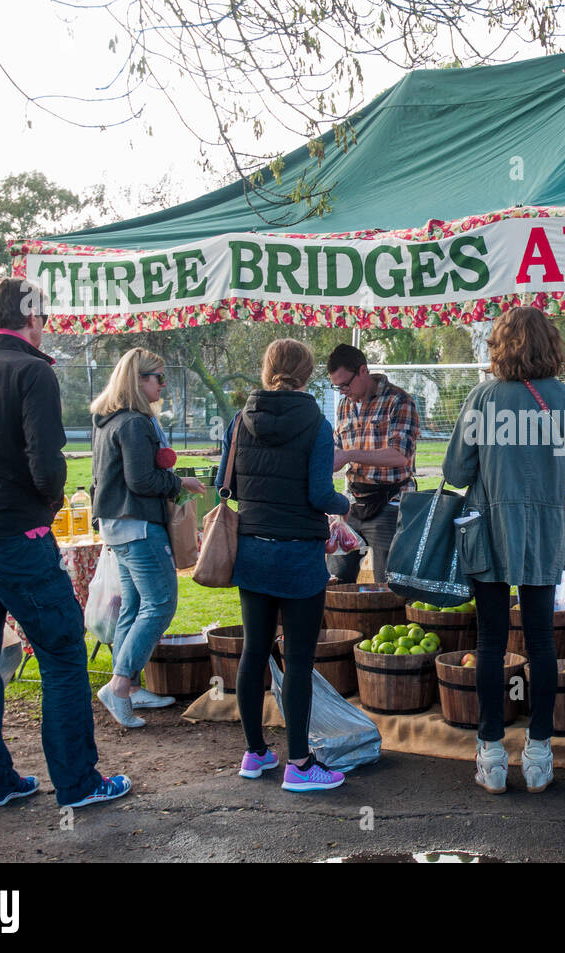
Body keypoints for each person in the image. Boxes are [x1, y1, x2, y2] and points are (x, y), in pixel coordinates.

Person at [0, 276, 129, 808]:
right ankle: (78, 784)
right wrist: (44, 512)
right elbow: (47, 464)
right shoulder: (32, 372)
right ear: (34, 319)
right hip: (9, 531)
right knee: (62, 649)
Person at [443, 307, 565, 794]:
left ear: (499, 347)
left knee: (490, 641)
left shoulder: (481, 398)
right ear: (552, 346)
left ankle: (490, 753)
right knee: (542, 642)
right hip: (545, 532)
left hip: (488, 532)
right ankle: (539, 752)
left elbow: (456, 472)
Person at [216, 339, 351, 792]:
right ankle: (300, 762)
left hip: (252, 550)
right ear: (308, 373)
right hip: (297, 555)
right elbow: (319, 494)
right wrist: (343, 503)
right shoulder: (316, 422)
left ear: (266, 368)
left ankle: (255, 753)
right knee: (297, 658)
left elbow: (225, 484)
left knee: (254, 650)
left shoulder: (240, 421)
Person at [90, 348, 206, 728]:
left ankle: (130, 686)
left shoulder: (107, 420)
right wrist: (180, 483)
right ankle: (120, 686)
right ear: (139, 381)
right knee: (159, 605)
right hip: (139, 526)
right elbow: (141, 480)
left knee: (134, 606)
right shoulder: (135, 424)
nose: (163, 383)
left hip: (116, 526)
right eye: (158, 376)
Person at [325, 343, 420, 583]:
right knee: (336, 578)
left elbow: (400, 454)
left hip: (390, 503)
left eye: (346, 384)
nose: (343, 391)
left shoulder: (398, 401)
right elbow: (338, 446)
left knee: (387, 584)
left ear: (363, 371)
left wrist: (349, 455)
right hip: (351, 505)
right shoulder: (344, 405)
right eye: (337, 386)